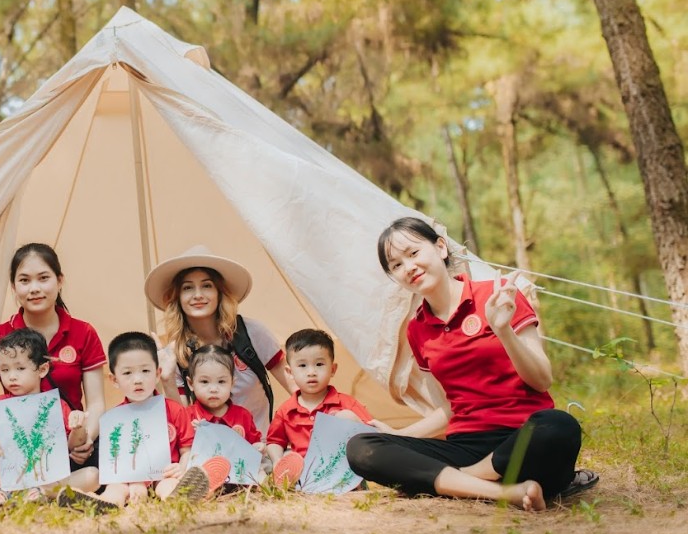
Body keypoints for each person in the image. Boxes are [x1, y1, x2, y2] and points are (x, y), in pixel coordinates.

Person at [346, 218, 597, 511]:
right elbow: (447, 410)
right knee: (362, 448)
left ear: (441, 247)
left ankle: (462, 481)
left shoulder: (498, 296)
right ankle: (504, 492)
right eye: (397, 265)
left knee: (559, 425)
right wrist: (395, 435)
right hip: (465, 445)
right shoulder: (417, 330)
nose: (409, 267)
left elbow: (542, 381)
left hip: (523, 440)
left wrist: (503, 330)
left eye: (413, 253)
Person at [0, 244, 106, 476]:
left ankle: (52, 487)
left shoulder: (84, 332)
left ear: (59, 281)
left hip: (69, 445)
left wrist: (85, 439)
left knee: (108, 456)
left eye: (43, 278)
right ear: (13, 287)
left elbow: (97, 402)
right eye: (24, 280)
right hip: (15, 449)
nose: (34, 288)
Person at [144, 246, 298, 437]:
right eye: (187, 287)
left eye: (207, 286)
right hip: (210, 450)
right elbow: (182, 422)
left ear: (220, 292)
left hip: (260, 448)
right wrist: (167, 380)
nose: (197, 295)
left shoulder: (252, 333)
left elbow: (295, 388)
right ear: (178, 297)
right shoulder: (176, 352)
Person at [0, 328, 103, 507]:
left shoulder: (56, 405)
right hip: (7, 479)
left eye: (20, 368)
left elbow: (72, 447)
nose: (12, 376)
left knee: (93, 475)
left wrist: (78, 427)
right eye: (4, 370)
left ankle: (39, 493)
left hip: (48, 479)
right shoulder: (0, 405)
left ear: (42, 369)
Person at [97, 332, 230, 507]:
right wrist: (135, 483)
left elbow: (187, 450)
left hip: (164, 474)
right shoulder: (113, 419)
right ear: (114, 380)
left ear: (158, 373)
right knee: (115, 488)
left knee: (169, 485)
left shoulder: (174, 410)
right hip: (127, 479)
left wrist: (181, 466)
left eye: (145, 371)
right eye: (127, 373)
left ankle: (179, 501)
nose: (138, 380)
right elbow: (115, 462)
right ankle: (106, 503)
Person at [265, 329, 374, 484]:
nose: (311, 372)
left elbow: (372, 433)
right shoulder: (286, 410)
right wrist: (277, 460)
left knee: (346, 416)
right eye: (302, 365)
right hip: (305, 475)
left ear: (333, 369)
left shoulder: (346, 403)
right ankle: (291, 481)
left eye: (319, 364)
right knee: (286, 458)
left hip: (342, 473)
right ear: (290, 372)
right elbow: (274, 441)